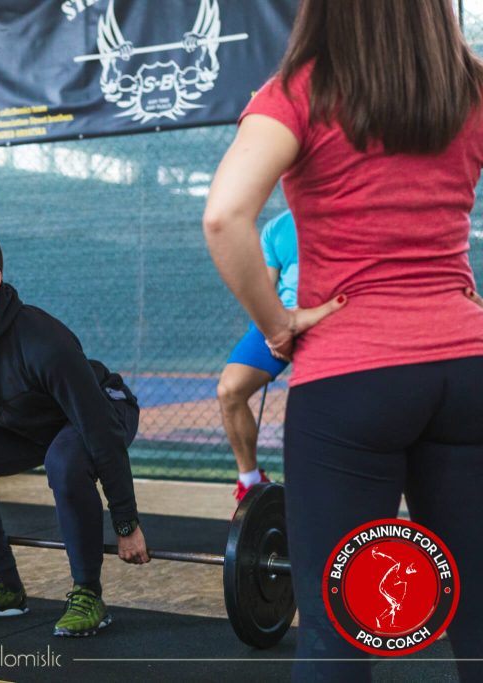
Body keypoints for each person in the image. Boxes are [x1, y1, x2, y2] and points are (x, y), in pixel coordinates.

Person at [203, 1, 483, 679]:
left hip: (351, 379)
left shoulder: (300, 90)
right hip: (467, 371)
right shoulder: (471, 85)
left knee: (338, 636)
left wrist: (277, 324)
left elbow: (223, 217)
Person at [0, 227, 148, 638]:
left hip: (100, 410)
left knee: (65, 462)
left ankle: (87, 594)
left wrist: (125, 522)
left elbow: (98, 432)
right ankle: (5, 586)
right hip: (24, 421)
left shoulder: (43, 341)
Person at [216, 209, 296, 502]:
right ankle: (250, 480)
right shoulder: (277, 228)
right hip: (279, 320)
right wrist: (274, 329)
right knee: (229, 390)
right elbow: (264, 289)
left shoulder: (343, 215)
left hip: (328, 321)